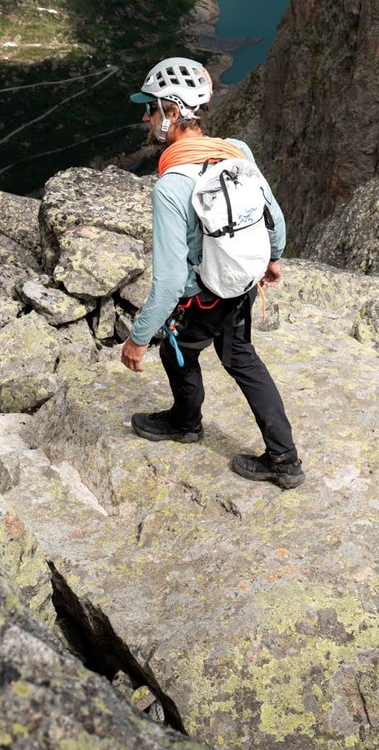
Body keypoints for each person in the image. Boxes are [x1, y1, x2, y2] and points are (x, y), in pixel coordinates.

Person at [117, 56, 304, 490]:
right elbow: (271, 212)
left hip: (204, 295)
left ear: (174, 112)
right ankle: (285, 459)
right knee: (240, 357)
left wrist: (138, 338)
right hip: (242, 283)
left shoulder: (171, 186)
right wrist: (272, 258)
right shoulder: (237, 150)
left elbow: (166, 283)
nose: (146, 117)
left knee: (173, 350)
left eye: (152, 107)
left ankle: (186, 423)